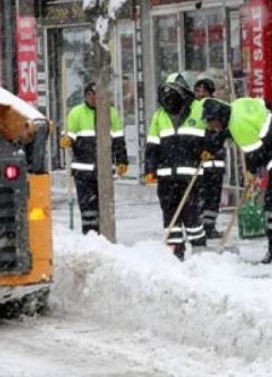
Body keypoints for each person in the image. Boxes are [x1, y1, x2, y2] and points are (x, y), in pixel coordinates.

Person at [203, 97, 272, 264]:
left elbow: (255, 154)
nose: (211, 127)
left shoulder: (238, 126)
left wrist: (250, 173)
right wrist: (213, 145)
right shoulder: (237, 104)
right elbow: (264, 103)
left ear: (220, 118)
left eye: (212, 122)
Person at [144, 74, 209, 260]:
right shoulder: (158, 115)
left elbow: (213, 134)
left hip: (191, 176)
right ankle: (175, 254)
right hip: (166, 177)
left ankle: (200, 254)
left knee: (191, 216)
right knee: (170, 217)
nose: (168, 100)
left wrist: (209, 150)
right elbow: (152, 145)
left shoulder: (198, 109)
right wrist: (150, 168)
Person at [60, 82, 129, 235]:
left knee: (103, 206)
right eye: (90, 95)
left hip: (104, 170)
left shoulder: (110, 113)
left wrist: (122, 161)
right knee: (87, 207)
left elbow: (118, 139)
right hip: (83, 171)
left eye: (96, 94)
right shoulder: (76, 113)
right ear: (85, 96)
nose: (93, 98)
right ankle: (90, 235)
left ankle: (104, 234)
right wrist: (66, 139)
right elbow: (69, 134)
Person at [192, 77, 224, 241]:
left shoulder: (214, 105)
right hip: (199, 157)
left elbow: (219, 130)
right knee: (200, 195)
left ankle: (209, 226)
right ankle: (199, 227)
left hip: (215, 159)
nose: (200, 94)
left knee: (213, 196)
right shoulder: (191, 107)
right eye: (197, 90)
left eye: (203, 90)